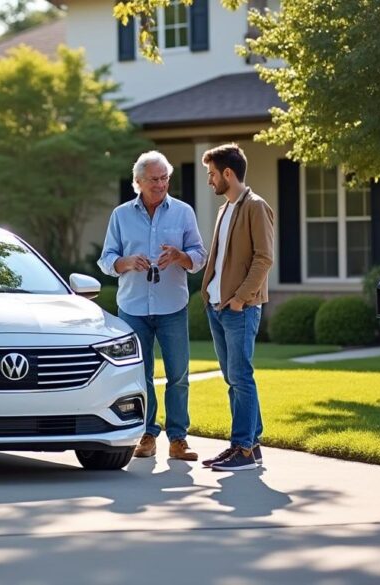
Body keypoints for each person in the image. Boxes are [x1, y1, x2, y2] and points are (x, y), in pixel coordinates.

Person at [98, 150, 207, 460]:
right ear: (138, 182)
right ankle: (147, 434)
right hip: (133, 308)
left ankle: (178, 438)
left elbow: (199, 256)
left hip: (172, 306)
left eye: (164, 178)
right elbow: (106, 260)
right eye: (154, 180)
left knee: (178, 375)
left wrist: (181, 257)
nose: (160, 184)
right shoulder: (120, 215)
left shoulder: (184, 212)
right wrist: (125, 262)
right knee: (139, 376)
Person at [199, 143, 274, 471]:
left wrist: (241, 298)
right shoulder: (225, 209)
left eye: (212, 174)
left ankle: (243, 448)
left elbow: (264, 258)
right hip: (218, 307)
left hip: (240, 308)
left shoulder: (255, 207)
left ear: (228, 173)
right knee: (234, 378)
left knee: (240, 376)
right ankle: (248, 444)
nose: (209, 181)